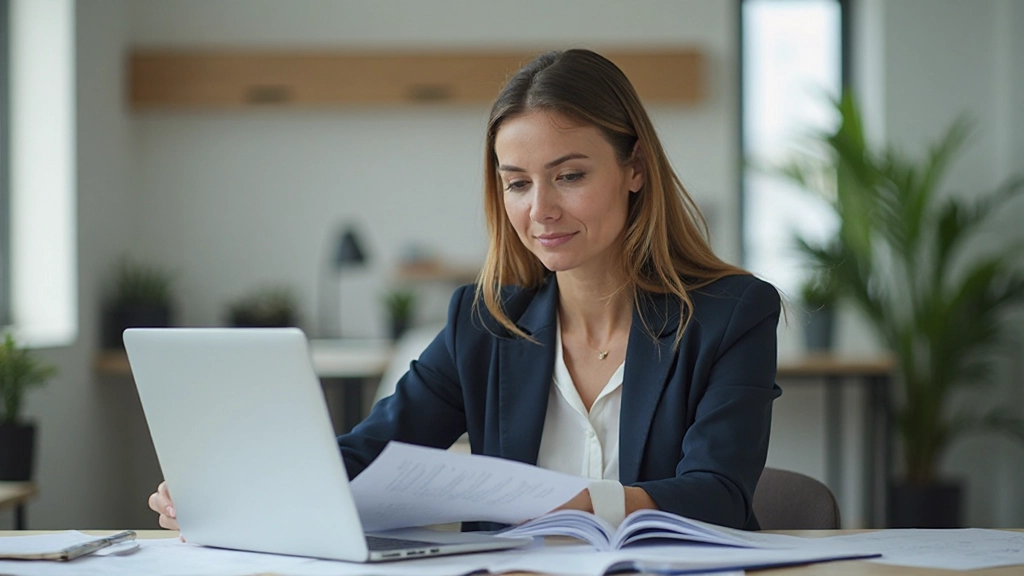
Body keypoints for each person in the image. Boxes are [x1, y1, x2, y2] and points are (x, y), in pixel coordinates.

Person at [149, 48, 781, 532]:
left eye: (570, 176)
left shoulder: (730, 315)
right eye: (518, 184)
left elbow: (718, 495)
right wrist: (233, 489)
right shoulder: (484, 322)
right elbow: (367, 453)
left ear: (635, 167)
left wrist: (566, 502)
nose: (541, 210)